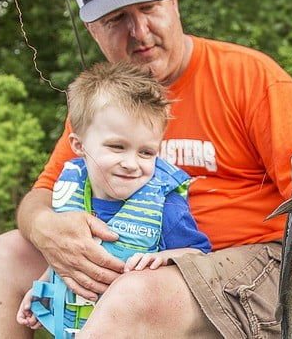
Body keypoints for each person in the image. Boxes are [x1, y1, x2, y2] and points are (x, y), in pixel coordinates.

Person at [0, 0, 292, 338]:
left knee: (137, 295)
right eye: (117, 19)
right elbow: (40, 195)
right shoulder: (103, 105)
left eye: (149, 8)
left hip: (266, 263)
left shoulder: (251, 77)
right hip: (134, 255)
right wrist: (45, 227)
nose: (139, 33)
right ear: (92, 30)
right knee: (5, 255)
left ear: (173, 2)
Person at [15, 61, 211, 333]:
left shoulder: (166, 206)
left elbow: (199, 253)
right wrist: (41, 290)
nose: (131, 163)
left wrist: (167, 258)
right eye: (117, 147)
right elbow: (63, 261)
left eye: (146, 152)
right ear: (78, 145)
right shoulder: (69, 193)